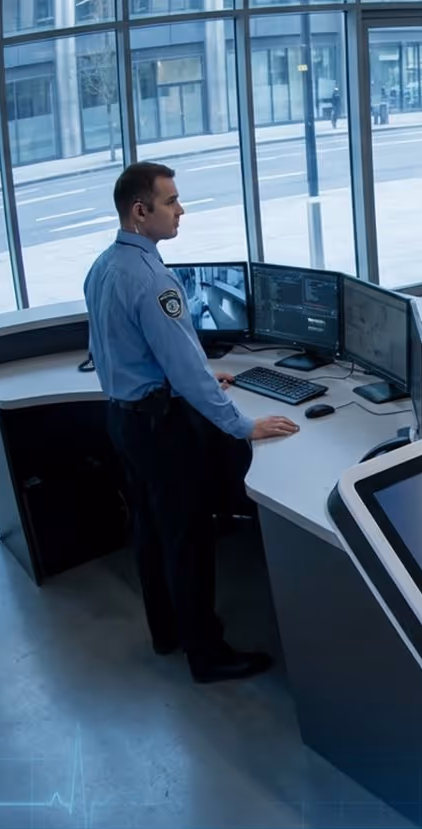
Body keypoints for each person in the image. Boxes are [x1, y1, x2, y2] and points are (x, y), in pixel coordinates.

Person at [84, 161, 300, 684]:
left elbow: (110, 347)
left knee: (152, 532)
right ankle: (208, 655)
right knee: (188, 539)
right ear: (141, 211)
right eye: (172, 201)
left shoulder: (103, 266)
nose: (181, 211)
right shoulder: (156, 281)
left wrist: (193, 373)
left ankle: (168, 634)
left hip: (125, 419)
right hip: (161, 430)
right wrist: (244, 426)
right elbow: (186, 372)